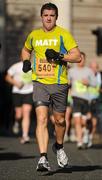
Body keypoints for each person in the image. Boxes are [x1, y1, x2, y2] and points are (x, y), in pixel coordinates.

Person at [21, 2, 81, 171]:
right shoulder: (34, 35)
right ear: (41, 17)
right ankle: (43, 158)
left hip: (59, 83)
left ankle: (59, 147)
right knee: (41, 118)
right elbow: (26, 50)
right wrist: (26, 61)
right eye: (45, 15)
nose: (48, 18)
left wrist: (60, 55)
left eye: (51, 15)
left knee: (60, 121)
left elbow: (77, 57)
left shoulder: (63, 34)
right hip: (40, 82)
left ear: (56, 17)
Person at [68, 52, 97, 149]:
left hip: (86, 99)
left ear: (85, 59)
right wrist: (68, 84)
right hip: (75, 98)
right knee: (77, 121)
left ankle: (86, 133)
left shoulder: (88, 71)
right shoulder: (71, 71)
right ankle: (79, 142)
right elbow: (67, 82)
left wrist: (88, 82)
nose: (80, 60)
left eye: (82, 58)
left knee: (84, 122)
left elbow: (94, 83)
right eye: (79, 58)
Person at [5, 61, 33, 144]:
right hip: (17, 92)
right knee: (19, 115)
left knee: (26, 113)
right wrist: (16, 83)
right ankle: (16, 122)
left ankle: (25, 135)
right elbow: (7, 77)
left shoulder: (34, 66)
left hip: (29, 92)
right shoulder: (16, 66)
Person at [87, 60, 101, 147]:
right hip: (87, 101)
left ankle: (90, 138)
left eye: (95, 67)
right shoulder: (86, 75)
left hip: (96, 101)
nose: (93, 69)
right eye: (92, 67)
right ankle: (85, 135)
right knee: (87, 120)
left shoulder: (99, 76)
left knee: (94, 123)